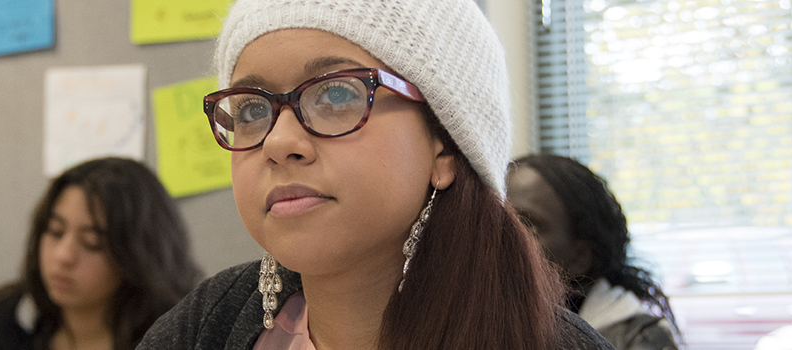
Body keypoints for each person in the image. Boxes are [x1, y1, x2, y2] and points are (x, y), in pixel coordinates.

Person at [138, 0, 614, 349]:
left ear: (445, 145)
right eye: (249, 109)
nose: (279, 142)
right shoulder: (205, 327)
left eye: (338, 95)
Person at [0, 157, 203, 350]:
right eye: (55, 231)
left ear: (138, 255)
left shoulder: (178, 338)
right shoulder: (8, 323)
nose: (63, 256)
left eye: (92, 243)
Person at [508, 154, 680, 350]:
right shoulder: (486, 321)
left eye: (527, 224)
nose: (502, 236)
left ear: (579, 257)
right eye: (499, 220)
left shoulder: (639, 339)